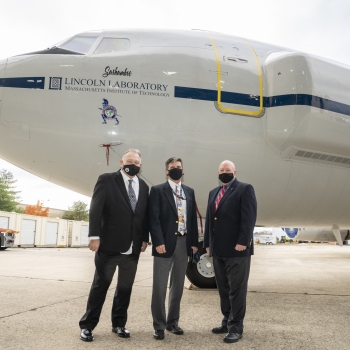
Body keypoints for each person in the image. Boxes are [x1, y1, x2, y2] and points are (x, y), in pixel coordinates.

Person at [79, 149, 149, 342]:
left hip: (132, 248)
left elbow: (143, 216)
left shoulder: (143, 186)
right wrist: (94, 236)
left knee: (125, 289)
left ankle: (119, 324)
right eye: (129, 160)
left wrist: (144, 238)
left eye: (136, 162)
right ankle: (87, 326)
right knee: (100, 287)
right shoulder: (107, 180)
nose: (132, 164)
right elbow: (96, 208)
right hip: (109, 245)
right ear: (121, 162)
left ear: (140, 165)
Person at [204, 160, 257, 344]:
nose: (224, 172)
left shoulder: (245, 189)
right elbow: (210, 220)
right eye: (221, 170)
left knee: (237, 289)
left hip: (237, 249)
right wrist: (208, 243)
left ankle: (236, 327)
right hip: (218, 249)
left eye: (227, 170)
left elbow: (249, 218)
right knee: (224, 289)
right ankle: (226, 321)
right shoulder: (214, 192)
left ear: (235, 171)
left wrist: (244, 241)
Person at [149, 157, 199, 340]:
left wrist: (193, 243)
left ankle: (172, 322)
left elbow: (192, 219)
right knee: (160, 287)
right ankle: (159, 326)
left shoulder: (189, 191)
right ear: (166, 171)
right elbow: (153, 219)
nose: (176, 170)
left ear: (183, 170)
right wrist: (158, 242)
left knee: (177, 286)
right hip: (164, 244)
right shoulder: (157, 190)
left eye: (178, 167)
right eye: (172, 168)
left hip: (183, 244)